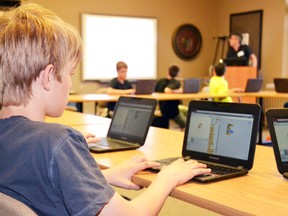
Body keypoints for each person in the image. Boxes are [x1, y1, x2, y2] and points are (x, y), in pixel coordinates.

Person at [0, 3, 211, 215]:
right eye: (70, 74)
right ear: (48, 77)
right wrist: (168, 177)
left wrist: (102, 178)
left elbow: (41, 187)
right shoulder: (57, 142)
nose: (70, 85)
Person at [154, 65, 186, 130]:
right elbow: (167, 90)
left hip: (162, 109)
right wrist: (178, 91)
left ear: (168, 71)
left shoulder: (160, 81)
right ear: (178, 73)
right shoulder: (176, 82)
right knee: (186, 123)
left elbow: (155, 91)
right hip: (172, 112)